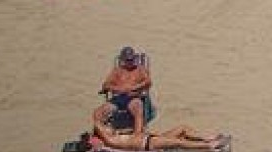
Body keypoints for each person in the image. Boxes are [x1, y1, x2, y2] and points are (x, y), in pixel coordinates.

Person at [99, 47, 152, 137]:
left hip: (133, 97)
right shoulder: (117, 71)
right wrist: (119, 89)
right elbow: (106, 85)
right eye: (128, 60)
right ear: (123, 60)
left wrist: (133, 88)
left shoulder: (140, 70)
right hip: (118, 98)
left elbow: (148, 82)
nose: (130, 62)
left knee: (138, 109)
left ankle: (137, 136)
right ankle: (101, 136)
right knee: (100, 112)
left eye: (132, 59)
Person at [87, 117, 227, 151]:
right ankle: (209, 146)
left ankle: (208, 137)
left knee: (182, 128)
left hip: (153, 138)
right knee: (179, 141)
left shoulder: (117, 134)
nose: (108, 126)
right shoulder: (111, 140)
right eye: (105, 127)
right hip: (149, 144)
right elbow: (97, 124)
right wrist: (99, 126)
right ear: (101, 134)